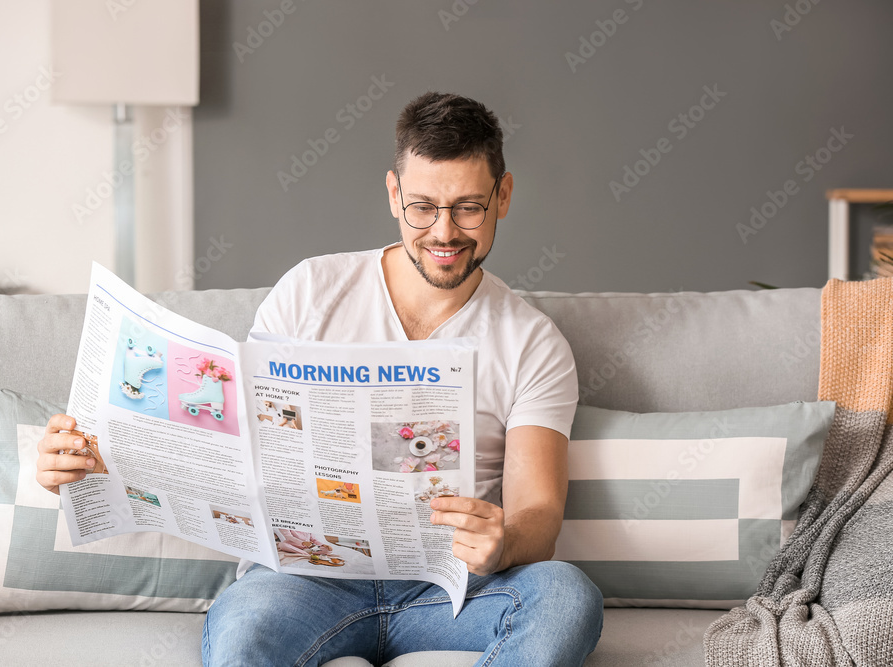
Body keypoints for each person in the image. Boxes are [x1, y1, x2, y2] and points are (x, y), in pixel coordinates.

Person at [36, 92, 603, 666]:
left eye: (468, 207)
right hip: (303, 579)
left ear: (503, 196)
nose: (444, 231)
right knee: (244, 633)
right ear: (393, 194)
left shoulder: (533, 342)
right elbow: (226, 444)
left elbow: (539, 515)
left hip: (449, 590)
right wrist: (89, 458)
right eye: (423, 206)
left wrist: (503, 540)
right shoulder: (310, 291)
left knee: (565, 596)